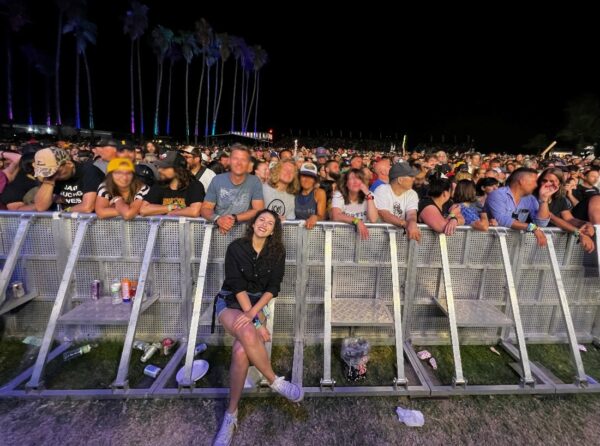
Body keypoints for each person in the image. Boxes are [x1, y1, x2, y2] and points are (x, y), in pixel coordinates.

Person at [212, 209, 303, 446]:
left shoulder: (277, 252)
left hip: (258, 305)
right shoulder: (235, 248)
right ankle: (275, 380)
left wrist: (256, 313)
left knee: (242, 351)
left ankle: (230, 414)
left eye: (270, 222)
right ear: (253, 224)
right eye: (261, 219)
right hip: (232, 300)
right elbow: (236, 285)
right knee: (246, 331)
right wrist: (254, 320)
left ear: (274, 230)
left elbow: (273, 288)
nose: (264, 224)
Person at [201, 144, 264, 234]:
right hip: (219, 232)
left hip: (244, 234)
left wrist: (234, 218)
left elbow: (258, 209)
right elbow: (205, 208)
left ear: (248, 163)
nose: (239, 163)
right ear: (229, 161)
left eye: (243, 160)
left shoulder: (254, 181)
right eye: (235, 159)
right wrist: (218, 219)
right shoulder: (217, 180)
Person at [485, 167, 554, 246]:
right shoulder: (498, 195)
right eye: (535, 181)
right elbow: (502, 219)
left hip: (514, 245)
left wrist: (544, 200)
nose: (536, 185)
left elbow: (541, 223)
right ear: (522, 181)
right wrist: (532, 227)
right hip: (490, 244)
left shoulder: (530, 199)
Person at [534, 168, 595, 253]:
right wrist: (579, 233)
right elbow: (551, 217)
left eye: (552, 181)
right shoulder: (533, 197)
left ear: (559, 182)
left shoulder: (560, 199)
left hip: (552, 243)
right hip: (532, 240)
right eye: (544, 180)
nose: (547, 184)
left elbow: (569, 219)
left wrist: (586, 223)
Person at [33, 147, 104, 212]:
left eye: (55, 172)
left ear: (69, 164)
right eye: (46, 173)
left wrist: (64, 213)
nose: (52, 176)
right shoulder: (52, 178)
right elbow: (40, 207)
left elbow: (87, 207)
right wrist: (49, 180)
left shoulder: (89, 171)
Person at [140, 151, 205, 217]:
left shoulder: (194, 185)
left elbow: (194, 212)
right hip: (163, 227)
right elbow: (143, 210)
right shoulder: (159, 185)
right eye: (159, 166)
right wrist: (170, 207)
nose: (159, 170)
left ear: (177, 169)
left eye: (164, 167)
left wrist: (170, 213)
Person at [374, 162, 421, 241]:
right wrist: (407, 224)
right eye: (411, 176)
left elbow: (411, 213)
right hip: (379, 238)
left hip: (399, 238)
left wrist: (412, 223)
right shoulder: (382, 190)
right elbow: (384, 214)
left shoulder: (412, 193)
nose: (414, 179)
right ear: (400, 180)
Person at [330, 168, 379, 239]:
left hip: (363, 239)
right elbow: (336, 215)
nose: (355, 182)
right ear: (346, 183)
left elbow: (373, 219)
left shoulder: (370, 195)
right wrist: (357, 221)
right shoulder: (339, 195)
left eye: (359, 178)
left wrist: (368, 195)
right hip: (342, 238)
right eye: (352, 179)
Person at [295, 162, 327, 229]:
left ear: (315, 180)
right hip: (296, 232)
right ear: (299, 177)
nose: (307, 180)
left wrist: (315, 217)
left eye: (310, 177)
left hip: (313, 232)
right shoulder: (294, 192)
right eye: (304, 176)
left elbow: (321, 216)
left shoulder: (319, 193)